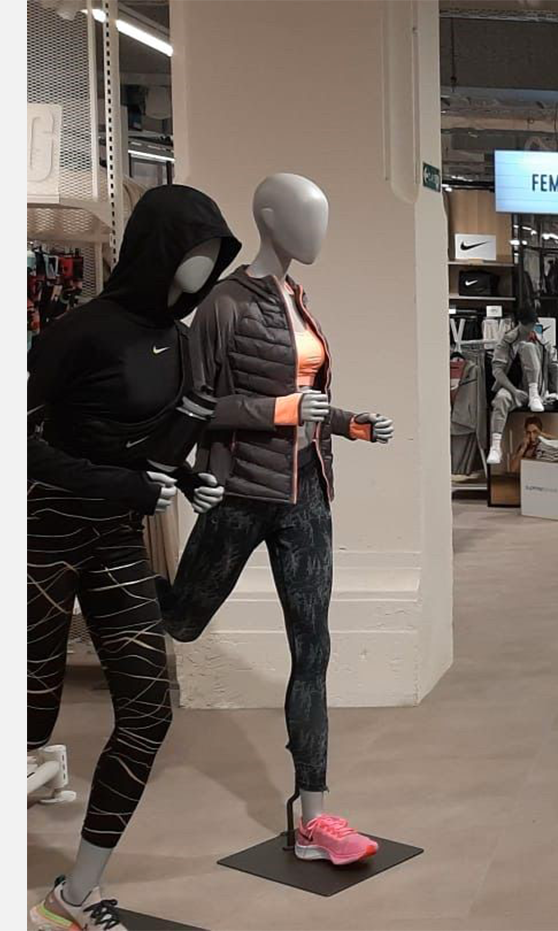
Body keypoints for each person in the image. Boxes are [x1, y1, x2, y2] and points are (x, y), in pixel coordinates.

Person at [160, 172, 396, 870]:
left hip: (306, 494)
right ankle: (111, 595)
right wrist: (282, 412)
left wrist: (349, 423)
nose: (317, 232)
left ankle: (314, 813)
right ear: (268, 218)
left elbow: (307, 398)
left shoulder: (296, 298)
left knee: (312, 648)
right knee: (182, 618)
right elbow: (197, 404)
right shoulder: (226, 304)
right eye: (305, 216)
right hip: (241, 491)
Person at [28, 184, 237, 931]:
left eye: (214, 252)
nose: (205, 265)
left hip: (115, 540)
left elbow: (142, 446)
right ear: (158, 250)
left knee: (147, 713)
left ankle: (74, 896)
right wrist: (123, 484)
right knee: (25, 717)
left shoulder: (175, 341)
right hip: (43, 537)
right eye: (194, 250)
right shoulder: (79, 332)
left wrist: (186, 475)